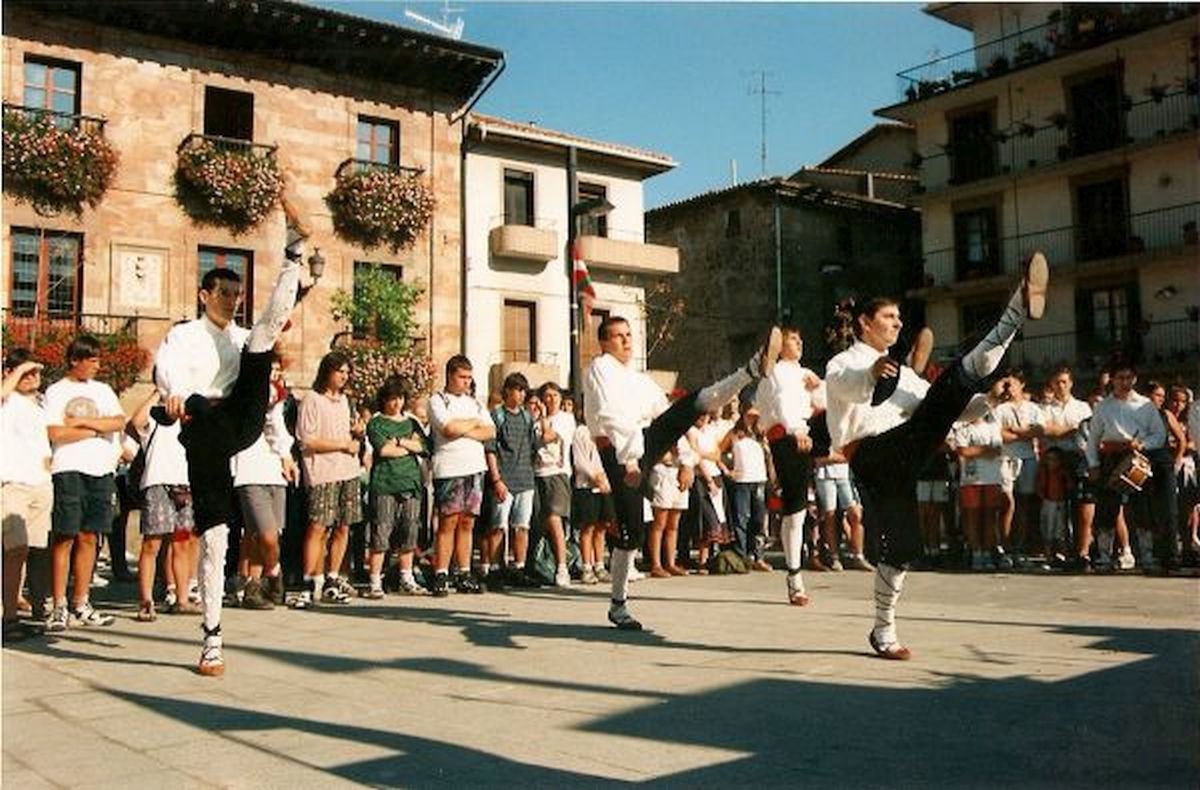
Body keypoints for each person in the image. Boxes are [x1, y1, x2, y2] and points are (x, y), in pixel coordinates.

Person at [824, 252, 1048, 660]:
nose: (897, 323)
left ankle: (882, 629)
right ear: (864, 323)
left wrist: (987, 402)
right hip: (871, 454)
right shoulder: (843, 362)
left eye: (899, 319)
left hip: (905, 454)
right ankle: (1012, 315)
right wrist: (873, 374)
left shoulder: (905, 373)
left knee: (904, 549)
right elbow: (848, 388)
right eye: (889, 317)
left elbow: (946, 410)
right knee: (951, 384)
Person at [153, 207, 304, 675]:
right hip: (204, 431)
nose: (234, 301)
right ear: (205, 294)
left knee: (263, 336)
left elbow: (274, 328)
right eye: (226, 293)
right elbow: (167, 373)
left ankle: (294, 252)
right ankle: (212, 638)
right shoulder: (183, 336)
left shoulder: (244, 335)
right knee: (216, 537)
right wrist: (175, 396)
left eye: (239, 293)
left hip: (239, 419)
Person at [584, 315, 782, 630]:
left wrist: (688, 456)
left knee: (694, 403)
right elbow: (612, 417)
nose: (626, 340)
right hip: (619, 451)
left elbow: (667, 415)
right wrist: (631, 462)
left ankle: (749, 371)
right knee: (631, 532)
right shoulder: (600, 368)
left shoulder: (638, 378)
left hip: (643, 442)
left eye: (628, 334)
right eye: (618, 336)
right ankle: (618, 604)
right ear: (605, 342)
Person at [43, 335, 126, 632]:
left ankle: (81, 601)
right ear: (74, 360)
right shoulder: (56, 391)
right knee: (65, 535)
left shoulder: (103, 390)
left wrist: (80, 424)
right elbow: (55, 432)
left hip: (100, 470)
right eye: (90, 360)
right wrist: (95, 431)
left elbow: (117, 422)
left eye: (98, 360)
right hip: (69, 468)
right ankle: (59, 604)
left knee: (91, 536)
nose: (96, 366)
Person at [755, 325, 822, 604]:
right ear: (779, 346)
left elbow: (821, 402)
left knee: (801, 510)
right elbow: (781, 405)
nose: (799, 343)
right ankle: (794, 575)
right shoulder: (776, 371)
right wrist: (796, 430)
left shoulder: (804, 373)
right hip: (789, 437)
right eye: (793, 340)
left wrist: (818, 387)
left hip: (808, 432)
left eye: (799, 339)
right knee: (795, 509)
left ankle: (796, 570)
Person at [294, 350, 364, 607]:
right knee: (318, 526)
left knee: (343, 525)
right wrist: (342, 444)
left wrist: (357, 434)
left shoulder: (347, 401)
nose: (344, 377)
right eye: (339, 372)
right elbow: (307, 440)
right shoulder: (312, 399)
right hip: (323, 472)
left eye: (347, 372)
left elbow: (354, 435)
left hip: (348, 470)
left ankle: (332, 578)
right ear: (327, 372)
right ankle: (308, 580)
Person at [1084, 364, 1166, 572]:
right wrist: (1093, 465)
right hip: (1110, 458)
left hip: (1138, 458)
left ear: (1135, 379)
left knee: (1142, 509)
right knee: (1106, 508)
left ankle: (1146, 555)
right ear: (1112, 380)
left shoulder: (1146, 405)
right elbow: (1093, 439)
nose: (1125, 382)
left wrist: (1142, 445)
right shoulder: (1103, 406)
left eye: (1129, 377)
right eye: (1120, 377)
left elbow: (1159, 435)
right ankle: (1104, 556)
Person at [427, 355, 495, 597]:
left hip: (474, 467)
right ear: (450, 375)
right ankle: (441, 572)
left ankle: (464, 571)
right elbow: (447, 428)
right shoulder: (438, 400)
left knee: (468, 522)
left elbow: (489, 430)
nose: (467, 382)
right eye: (462, 377)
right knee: (448, 521)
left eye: (469, 377)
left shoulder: (475, 404)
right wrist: (471, 426)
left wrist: (465, 427)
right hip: (449, 467)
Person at [232, 356, 296, 609]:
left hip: (275, 470)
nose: (274, 372)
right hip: (249, 469)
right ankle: (274, 573)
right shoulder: (248, 392)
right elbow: (270, 424)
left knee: (262, 536)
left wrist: (286, 456)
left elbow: (278, 426)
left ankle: (253, 587)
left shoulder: (278, 396)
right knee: (265, 535)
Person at [1, 349, 52, 641]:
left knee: (29, 552)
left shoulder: (39, 405)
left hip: (39, 484)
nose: (33, 377)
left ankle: (15, 609)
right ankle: (7, 616)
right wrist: (18, 371)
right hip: (13, 484)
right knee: (13, 548)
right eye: (26, 373)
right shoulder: (7, 399)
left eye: (36, 372)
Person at [364, 377, 428, 597]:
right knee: (382, 530)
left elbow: (423, 446)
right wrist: (408, 446)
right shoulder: (376, 422)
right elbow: (383, 450)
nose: (396, 403)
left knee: (410, 529)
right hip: (385, 483)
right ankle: (375, 580)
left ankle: (406, 576)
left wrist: (399, 442)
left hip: (410, 481)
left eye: (400, 398)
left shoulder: (411, 422)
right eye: (392, 398)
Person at [481, 372, 538, 590]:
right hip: (504, 479)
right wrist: (496, 479)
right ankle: (496, 569)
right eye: (518, 389)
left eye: (524, 390)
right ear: (507, 391)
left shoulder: (527, 417)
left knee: (521, 526)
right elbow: (491, 449)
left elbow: (534, 446)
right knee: (498, 527)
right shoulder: (496, 416)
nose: (521, 394)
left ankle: (519, 568)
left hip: (525, 479)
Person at [1039, 367, 1095, 572]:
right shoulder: (1044, 408)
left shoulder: (1082, 407)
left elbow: (1088, 433)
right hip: (1053, 461)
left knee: (1079, 508)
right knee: (1055, 510)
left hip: (1077, 460)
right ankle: (1057, 551)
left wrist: (1059, 431)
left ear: (1071, 383)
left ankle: (1080, 552)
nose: (1060, 386)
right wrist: (1072, 429)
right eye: (1056, 382)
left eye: (1064, 382)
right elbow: (1046, 430)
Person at [993, 369, 1044, 567]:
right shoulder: (1000, 408)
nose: (1008, 388)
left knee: (1024, 502)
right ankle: (1004, 544)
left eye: (1011, 384)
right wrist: (1024, 433)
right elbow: (999, 434)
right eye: (1005, 384)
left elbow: (1039, 430)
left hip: (1028, 458)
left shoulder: (1033, 408)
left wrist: (1015, 431)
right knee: (1007, 502)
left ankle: (1019, 546)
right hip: (1006, 458)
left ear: (1021, 385)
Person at [532, 381, 577, 588]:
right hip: (537, 472)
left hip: (556, 472)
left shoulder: (565, 419)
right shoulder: (535, 421)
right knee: (540, 522)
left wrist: (542, 418)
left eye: (555, 395)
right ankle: (540, 565)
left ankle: (562, 567)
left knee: (554, 518)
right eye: (547, 396)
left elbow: (549, 437)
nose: (551, 400)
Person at [720, 399, 772, 571]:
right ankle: (742, 555)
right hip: (742, 480)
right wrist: (728, 471)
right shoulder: (734, 434)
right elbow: (718, 453)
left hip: (759, 479)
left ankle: (757, 554)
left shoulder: (760, 434)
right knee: (741, 518)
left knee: (758, 519)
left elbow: (768, 458)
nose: (752, 419)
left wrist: (772, 476)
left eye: (755, 416)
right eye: (750, 415)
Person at [571, 411, 613, 585]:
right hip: (586, 485)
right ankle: (587, 567)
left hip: (603, 485)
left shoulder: (603, 431)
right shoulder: (581, 432)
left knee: (602, 526)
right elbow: (580, 461)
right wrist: (594, 476)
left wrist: (605, 477)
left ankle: (599, 564)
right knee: (587, 527)